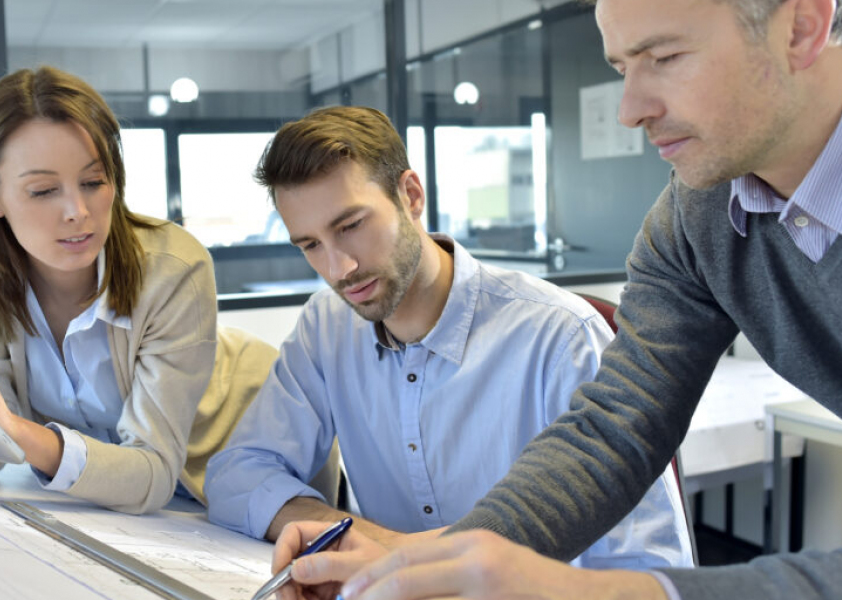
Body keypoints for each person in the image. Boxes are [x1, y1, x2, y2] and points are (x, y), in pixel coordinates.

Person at [276, 0, 842, 599]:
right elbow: (614, 428)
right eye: (621, 67)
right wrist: (423, 570)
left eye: (664, 57)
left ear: (801, 26)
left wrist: (581, 591)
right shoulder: (700, 214)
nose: (629, 109)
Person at [203, 105, 693, 578]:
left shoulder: (560, 338)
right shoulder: (327, 327)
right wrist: (363, 539)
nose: (339, 269)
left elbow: (650, 568)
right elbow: (236, 477)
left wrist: (405, 554)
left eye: (350, 226)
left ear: (411, 195)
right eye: (310, 245)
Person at [0, 65, 280, 514]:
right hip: (106, 493)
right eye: (43, 190)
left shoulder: (174, 267)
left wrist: (12, 430)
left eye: (93, 181)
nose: (77, 211)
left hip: (230, 460)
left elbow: (153, 474)